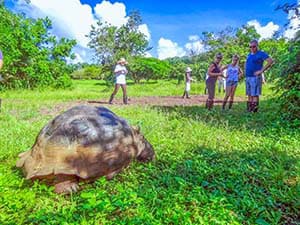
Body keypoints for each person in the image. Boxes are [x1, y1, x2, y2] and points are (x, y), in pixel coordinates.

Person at [245, 40, 273, 112]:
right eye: (250, 47)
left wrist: (261, 71)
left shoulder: (261, 53)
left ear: (257, 46)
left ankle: (254, 111)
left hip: (255, 77)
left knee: (255, 94)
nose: (252, 48)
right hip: (248, 76)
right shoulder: (249, 55)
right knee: (249, 93)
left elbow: (270, 61)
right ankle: (249, 109)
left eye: (254, 46)